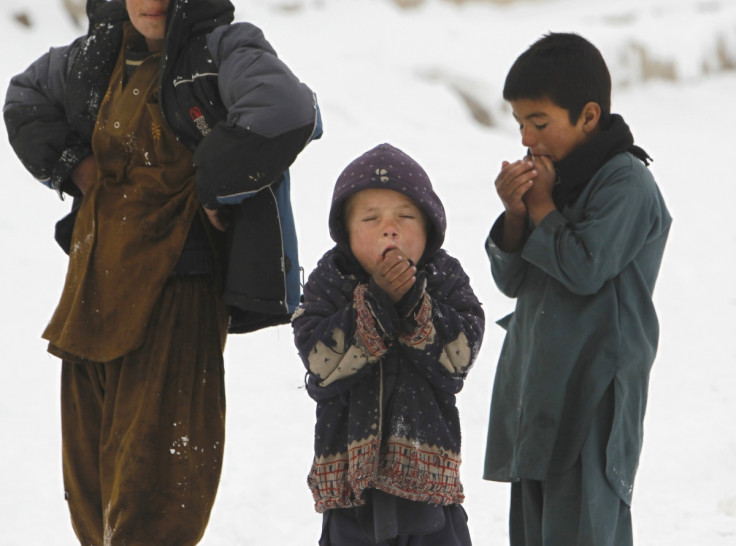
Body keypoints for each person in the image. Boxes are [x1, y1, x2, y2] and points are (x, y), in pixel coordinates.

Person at [3, 0, 320, 544]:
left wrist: (214, 179)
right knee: (92, 503)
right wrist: (80, 169)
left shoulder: (222, 48)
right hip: (90, 299)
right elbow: (24, 97)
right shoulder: (97, 57)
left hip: (176, 293)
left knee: (158, 504)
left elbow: (287, 107)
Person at [482, 32, 672, 545]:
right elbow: (512, 279)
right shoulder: (553, 179)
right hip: (536, 386)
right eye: (520, 123)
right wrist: (516, 214)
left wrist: (542, 208)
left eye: (539, 122)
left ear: (588, 116)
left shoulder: (626, 182)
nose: (526, 138)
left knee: (585, 530)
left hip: (595, 390)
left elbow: (587, 268)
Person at [292, 143, 485, 545]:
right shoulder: (329, 281)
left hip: (429, 494)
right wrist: (376, 302)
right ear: (345, 232)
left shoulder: (445, 277)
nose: (390, 228)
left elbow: (459, 359)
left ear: (430, 228)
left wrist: (415, 302)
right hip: (351, 496)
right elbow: (321, 363)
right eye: (371, 218)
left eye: (406, 216)